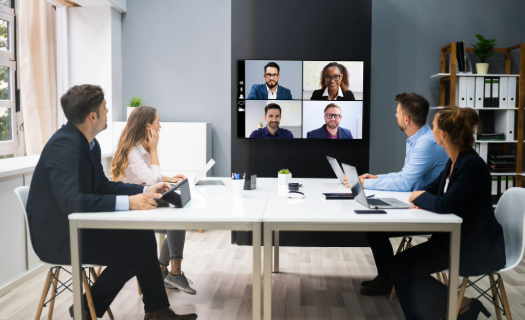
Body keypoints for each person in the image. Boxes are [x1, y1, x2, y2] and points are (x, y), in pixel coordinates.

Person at [26, 85, 197, 320]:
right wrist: (129, 203)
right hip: (60, 238)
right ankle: (86, 307)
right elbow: (72, 202)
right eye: (105, 108)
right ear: (92, 116)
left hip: (81, 227)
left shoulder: (89, 143)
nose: (108, 112)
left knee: (143, 234)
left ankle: (157, 311)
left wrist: (145, 189)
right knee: (133, 257)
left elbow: (103, 186)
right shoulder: (63, 146)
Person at [363, 107, 506, 320]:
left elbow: (443, 204)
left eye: (435, 127)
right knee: (396, 266)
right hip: (453, 239)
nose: (432, 132)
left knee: (401, 268)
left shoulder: (472, 166)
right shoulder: (455, 160)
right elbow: (433, 189)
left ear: (443, 135)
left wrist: (418, 197)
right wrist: (421, 195)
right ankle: (461, 305)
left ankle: (456, 307)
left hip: (474, 247)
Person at [111, 106, 196, 295]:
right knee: (177, 217)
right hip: (133, 208)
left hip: (146, 201)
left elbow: (150, 176)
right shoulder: (132, 151)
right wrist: (154, 149)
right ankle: (172, 272)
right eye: (158, 122)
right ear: (148, 126)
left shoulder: (140, 149)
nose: (160, 127)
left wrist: (169, 178)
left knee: (178, 215)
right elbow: (153, 180)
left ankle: (164, 269)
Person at [344, 93, 448, 192]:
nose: (396, 115)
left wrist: (363, 184)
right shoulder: (416, 139)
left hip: (424, 206)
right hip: (416, 200)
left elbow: (404, 183)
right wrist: (375, 178)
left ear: (406, 119)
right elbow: (404, 175)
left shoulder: (426, 143)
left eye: (398, 112)